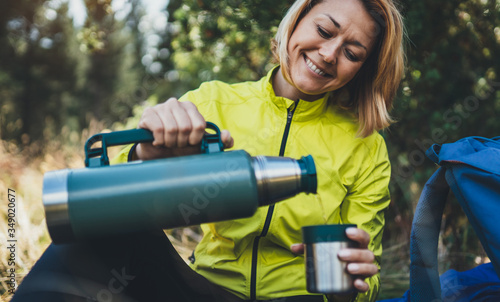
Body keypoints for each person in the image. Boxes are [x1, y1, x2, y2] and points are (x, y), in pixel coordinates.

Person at [12, 0, 405, 301]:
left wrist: (350, 287)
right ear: (297, 19)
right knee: (99, 227)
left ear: (362, 70)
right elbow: (101, 194)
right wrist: (145, 155)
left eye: (352, 52)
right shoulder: (216, 103)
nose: (328, 54)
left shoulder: (365, 147)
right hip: (201, 290)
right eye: (324, 29)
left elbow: (363, 279)